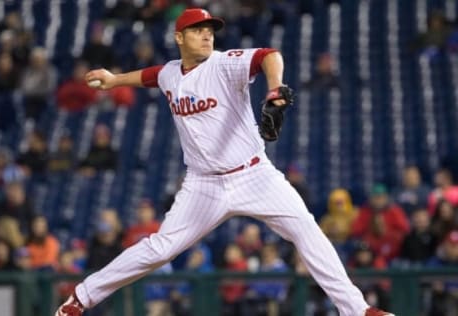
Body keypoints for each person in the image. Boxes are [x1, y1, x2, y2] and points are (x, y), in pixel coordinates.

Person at [55, 8, 393, 316]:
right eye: (197, 30)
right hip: (203, 184)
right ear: (178, 38)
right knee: (160, 248)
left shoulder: (224, 62)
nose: (207, 35)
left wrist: (275, 89)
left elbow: (268, 55)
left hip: (254, 175)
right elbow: (152, 74)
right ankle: (81, 299)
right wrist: (115, 80)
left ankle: (359, 311)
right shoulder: (171, 73)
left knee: (307, 231)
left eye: (210, 31)